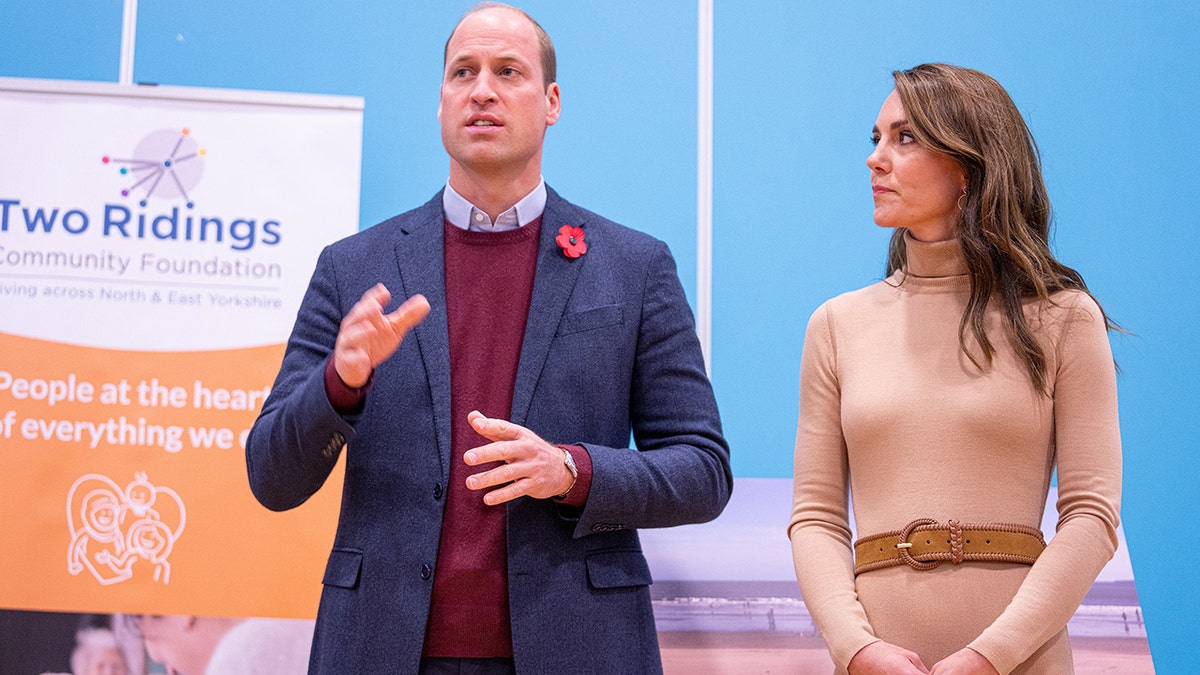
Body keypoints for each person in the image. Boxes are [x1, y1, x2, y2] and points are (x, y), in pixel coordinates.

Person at [245, 3, 731, 673]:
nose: (482, 90)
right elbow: (271, 476)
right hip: (384, 648)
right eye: (463, 72)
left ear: (552, 101)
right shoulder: (355, 267)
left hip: (578, 647)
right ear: (440, 101)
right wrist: (339, 384)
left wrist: (573, 470)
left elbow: (703, 471)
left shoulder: (632, 266)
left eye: (508, 71)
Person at [788, 63, 1121, 674]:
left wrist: (990, 657)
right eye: (876, 138)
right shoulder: (836, 324)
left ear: (970, 166)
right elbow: (814, 518)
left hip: (1024, 662)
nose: (875, 159)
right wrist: (855, 648)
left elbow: (1092, 518)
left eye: (905, 137)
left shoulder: (1066, 317)